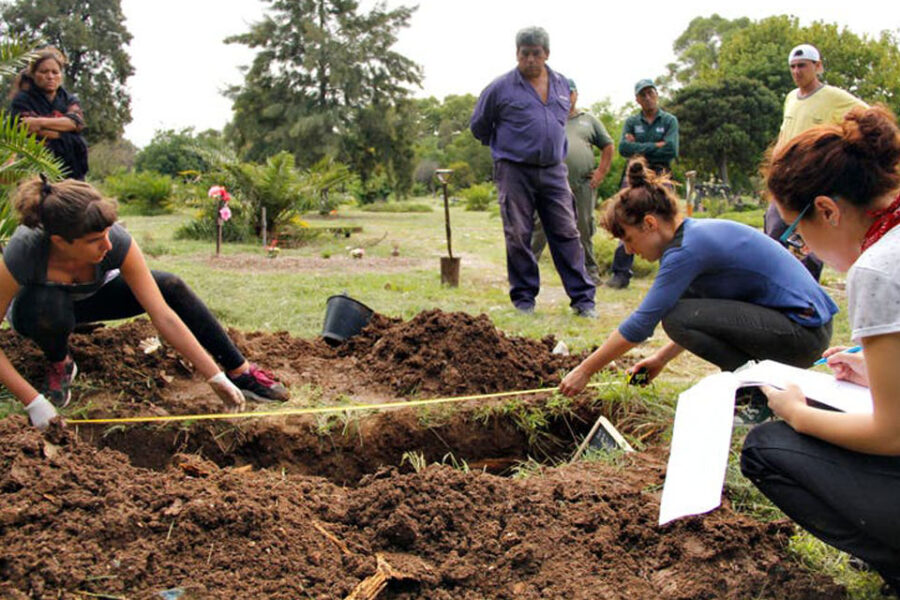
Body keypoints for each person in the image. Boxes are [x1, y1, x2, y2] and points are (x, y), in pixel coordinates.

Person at [742, 105, 900, 595]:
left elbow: (892, 434)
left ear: (828, 210)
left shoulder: (878, 269)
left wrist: (798, 414)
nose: (803, 249)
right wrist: (875, 371)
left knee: (766, 449)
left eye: (797, 232)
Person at [1, 177, 289, 431]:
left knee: (169, 285)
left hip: (89, 301)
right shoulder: (24, 252)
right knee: (47, 303)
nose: (108, 245)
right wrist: (33, 402)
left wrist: (214, 376)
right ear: (60, 241)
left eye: (108, 233)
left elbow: (163, 315)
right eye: (95, 240)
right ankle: (59, 363)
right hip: (37, 313)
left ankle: (240, 372)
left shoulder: (113, 240)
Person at [559, 157, 837, 398]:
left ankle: (754, 393)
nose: (629, 250)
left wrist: (584, 371)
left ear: (650, 223)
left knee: (676, 317)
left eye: (629, 239)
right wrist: (660, 359)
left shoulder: (687, 250)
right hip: (806, 329)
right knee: (682, 312)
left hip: (802, 333)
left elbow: (641, 325)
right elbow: (708, 319)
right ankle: (755, 386)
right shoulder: (692, 238)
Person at [470, 27, 596, 317]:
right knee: (518, 233)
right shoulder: (499, 88)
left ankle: (583, 301)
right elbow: (479, 126)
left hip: (554, 170)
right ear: (517, 54)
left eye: (535, 53)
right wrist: (508, 147)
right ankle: (524, 300)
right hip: (514, 170)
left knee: (567, 232)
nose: (530, 59)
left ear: (546, 54)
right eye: (524, 53)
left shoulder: (562, 84)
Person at [764, 43, 867, 281]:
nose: (797, 71)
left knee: (809, 247)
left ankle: (807, 292)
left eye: (802, 66)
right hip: (785, 181)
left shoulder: (834, 97)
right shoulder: (791, 98)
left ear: (817, 66)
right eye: (793, 67)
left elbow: (869, 118)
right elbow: (784, 134)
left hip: (812, 184)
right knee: (773, 238)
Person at [532, 78, 614, 283]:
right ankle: (526, 268)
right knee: (540, 225)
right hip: (550, 184)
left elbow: (608, 145)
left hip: (582, 184)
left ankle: (590, 271)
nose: (565, 97)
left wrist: (601, 172)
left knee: (583, 227)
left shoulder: (589, 120)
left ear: (576, 94)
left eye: (569, 92)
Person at [605, 79, 679, 290]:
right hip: (635, 173)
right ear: (637, 99)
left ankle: (671, 273)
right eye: (643, 94)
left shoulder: (669, 120)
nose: (647, 97)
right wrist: (656, 145)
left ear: (657, 94)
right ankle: (620, 273)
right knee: (625, 218)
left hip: (661, 174)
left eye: (650, 93)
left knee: (667, 222)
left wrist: (639, 146)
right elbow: (624, 149)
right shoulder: (631, 122)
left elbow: (670, 150)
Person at [9, 47, 90, 180]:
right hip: (35, 170)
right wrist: (67, 131)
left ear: (60, 75)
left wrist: (39, 122)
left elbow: (76, 122)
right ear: (33, 74)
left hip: (72, 171)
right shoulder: (22, 100)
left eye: (55, 72)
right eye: (44, 72)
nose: (50, 77)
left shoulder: (69, 99)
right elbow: (25, 128)